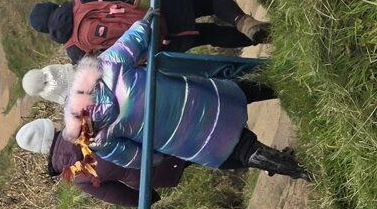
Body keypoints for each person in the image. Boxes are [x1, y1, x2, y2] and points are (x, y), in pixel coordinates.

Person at [65, 16, 305, 179]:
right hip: (195, 97)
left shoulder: (94, 137)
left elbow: (138, 158)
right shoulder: (107, 66)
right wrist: (147, 19)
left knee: (241, 150)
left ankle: (302, 169)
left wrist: (163, 150)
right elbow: (134, 41)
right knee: (244, 90)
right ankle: (297, 80)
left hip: (185, 140)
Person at [28, 0, 268, 62]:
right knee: (213, 1)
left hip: (158, 45)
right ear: (55, 6)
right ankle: (244, 22)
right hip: (162, 7)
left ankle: (265, 37)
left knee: (209, 35)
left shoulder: (76, 54)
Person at [15, 118, 189, 209]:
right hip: (158, 139)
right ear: (53, 127)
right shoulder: (84, 121)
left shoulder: (76, 175)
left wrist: (147, 199)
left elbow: (115, 195)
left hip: (150, 173)